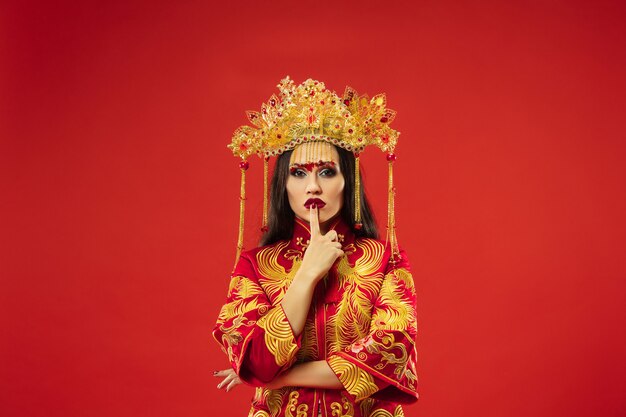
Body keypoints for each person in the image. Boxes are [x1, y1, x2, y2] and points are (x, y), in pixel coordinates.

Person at [212, 77, 418, 417]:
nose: (312, 186)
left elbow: (388, 354)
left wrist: (280, 379)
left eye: (326, 172)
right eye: (297, 173)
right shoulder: (255, 266)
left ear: (347, 181)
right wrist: (307, 274)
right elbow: (258, 362)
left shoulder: (384, 261)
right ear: (283, 185)